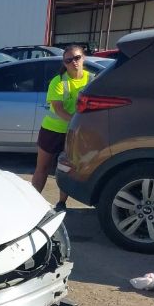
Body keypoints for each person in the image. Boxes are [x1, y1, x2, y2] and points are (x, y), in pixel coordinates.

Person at [31, 45, 90, 212]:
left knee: (65, 170)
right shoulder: (59, 81)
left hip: (73, 133)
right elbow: (58, 109)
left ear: (83, 58)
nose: (74, 62)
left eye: (77, 58)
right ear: (64, 63)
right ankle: (33, 202)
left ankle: (61, 203)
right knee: (42, 168)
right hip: (52, 131)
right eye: (69, 60)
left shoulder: (92, 79)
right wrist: (77, 122)